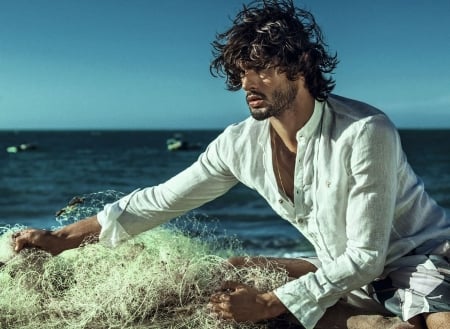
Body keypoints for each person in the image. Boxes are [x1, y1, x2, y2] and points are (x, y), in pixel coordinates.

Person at [12, 1, 450, 328]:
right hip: (340, 267)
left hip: (417, 260)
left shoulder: (364, 130)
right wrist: (61, 238)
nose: (246, 83)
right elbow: (158, 201)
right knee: (229, 270)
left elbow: (369, 258)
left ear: (300, 66)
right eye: (241, 71)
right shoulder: (239, 144)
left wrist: (270, 301)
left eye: (260, 69)